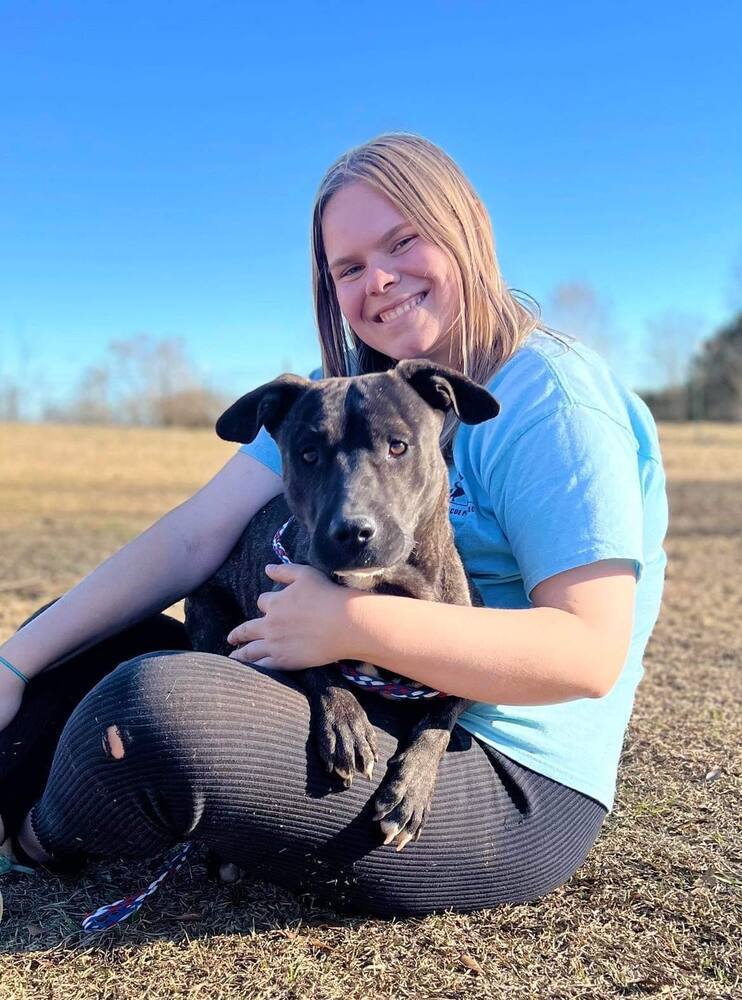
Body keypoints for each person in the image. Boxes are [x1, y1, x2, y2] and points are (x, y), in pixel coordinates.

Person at [0, 132, 667, 916]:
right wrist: (13, 664)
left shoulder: (550, 402)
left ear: (466, 228)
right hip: (352, 691)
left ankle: (30, 845)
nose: (378, 280)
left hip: (493, 770)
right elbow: (195, 537)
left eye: (403, 241)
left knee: (151, 712)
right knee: (70, 643)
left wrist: (349, 623)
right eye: (348, 267)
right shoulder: (339, 395)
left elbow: (587, 654)